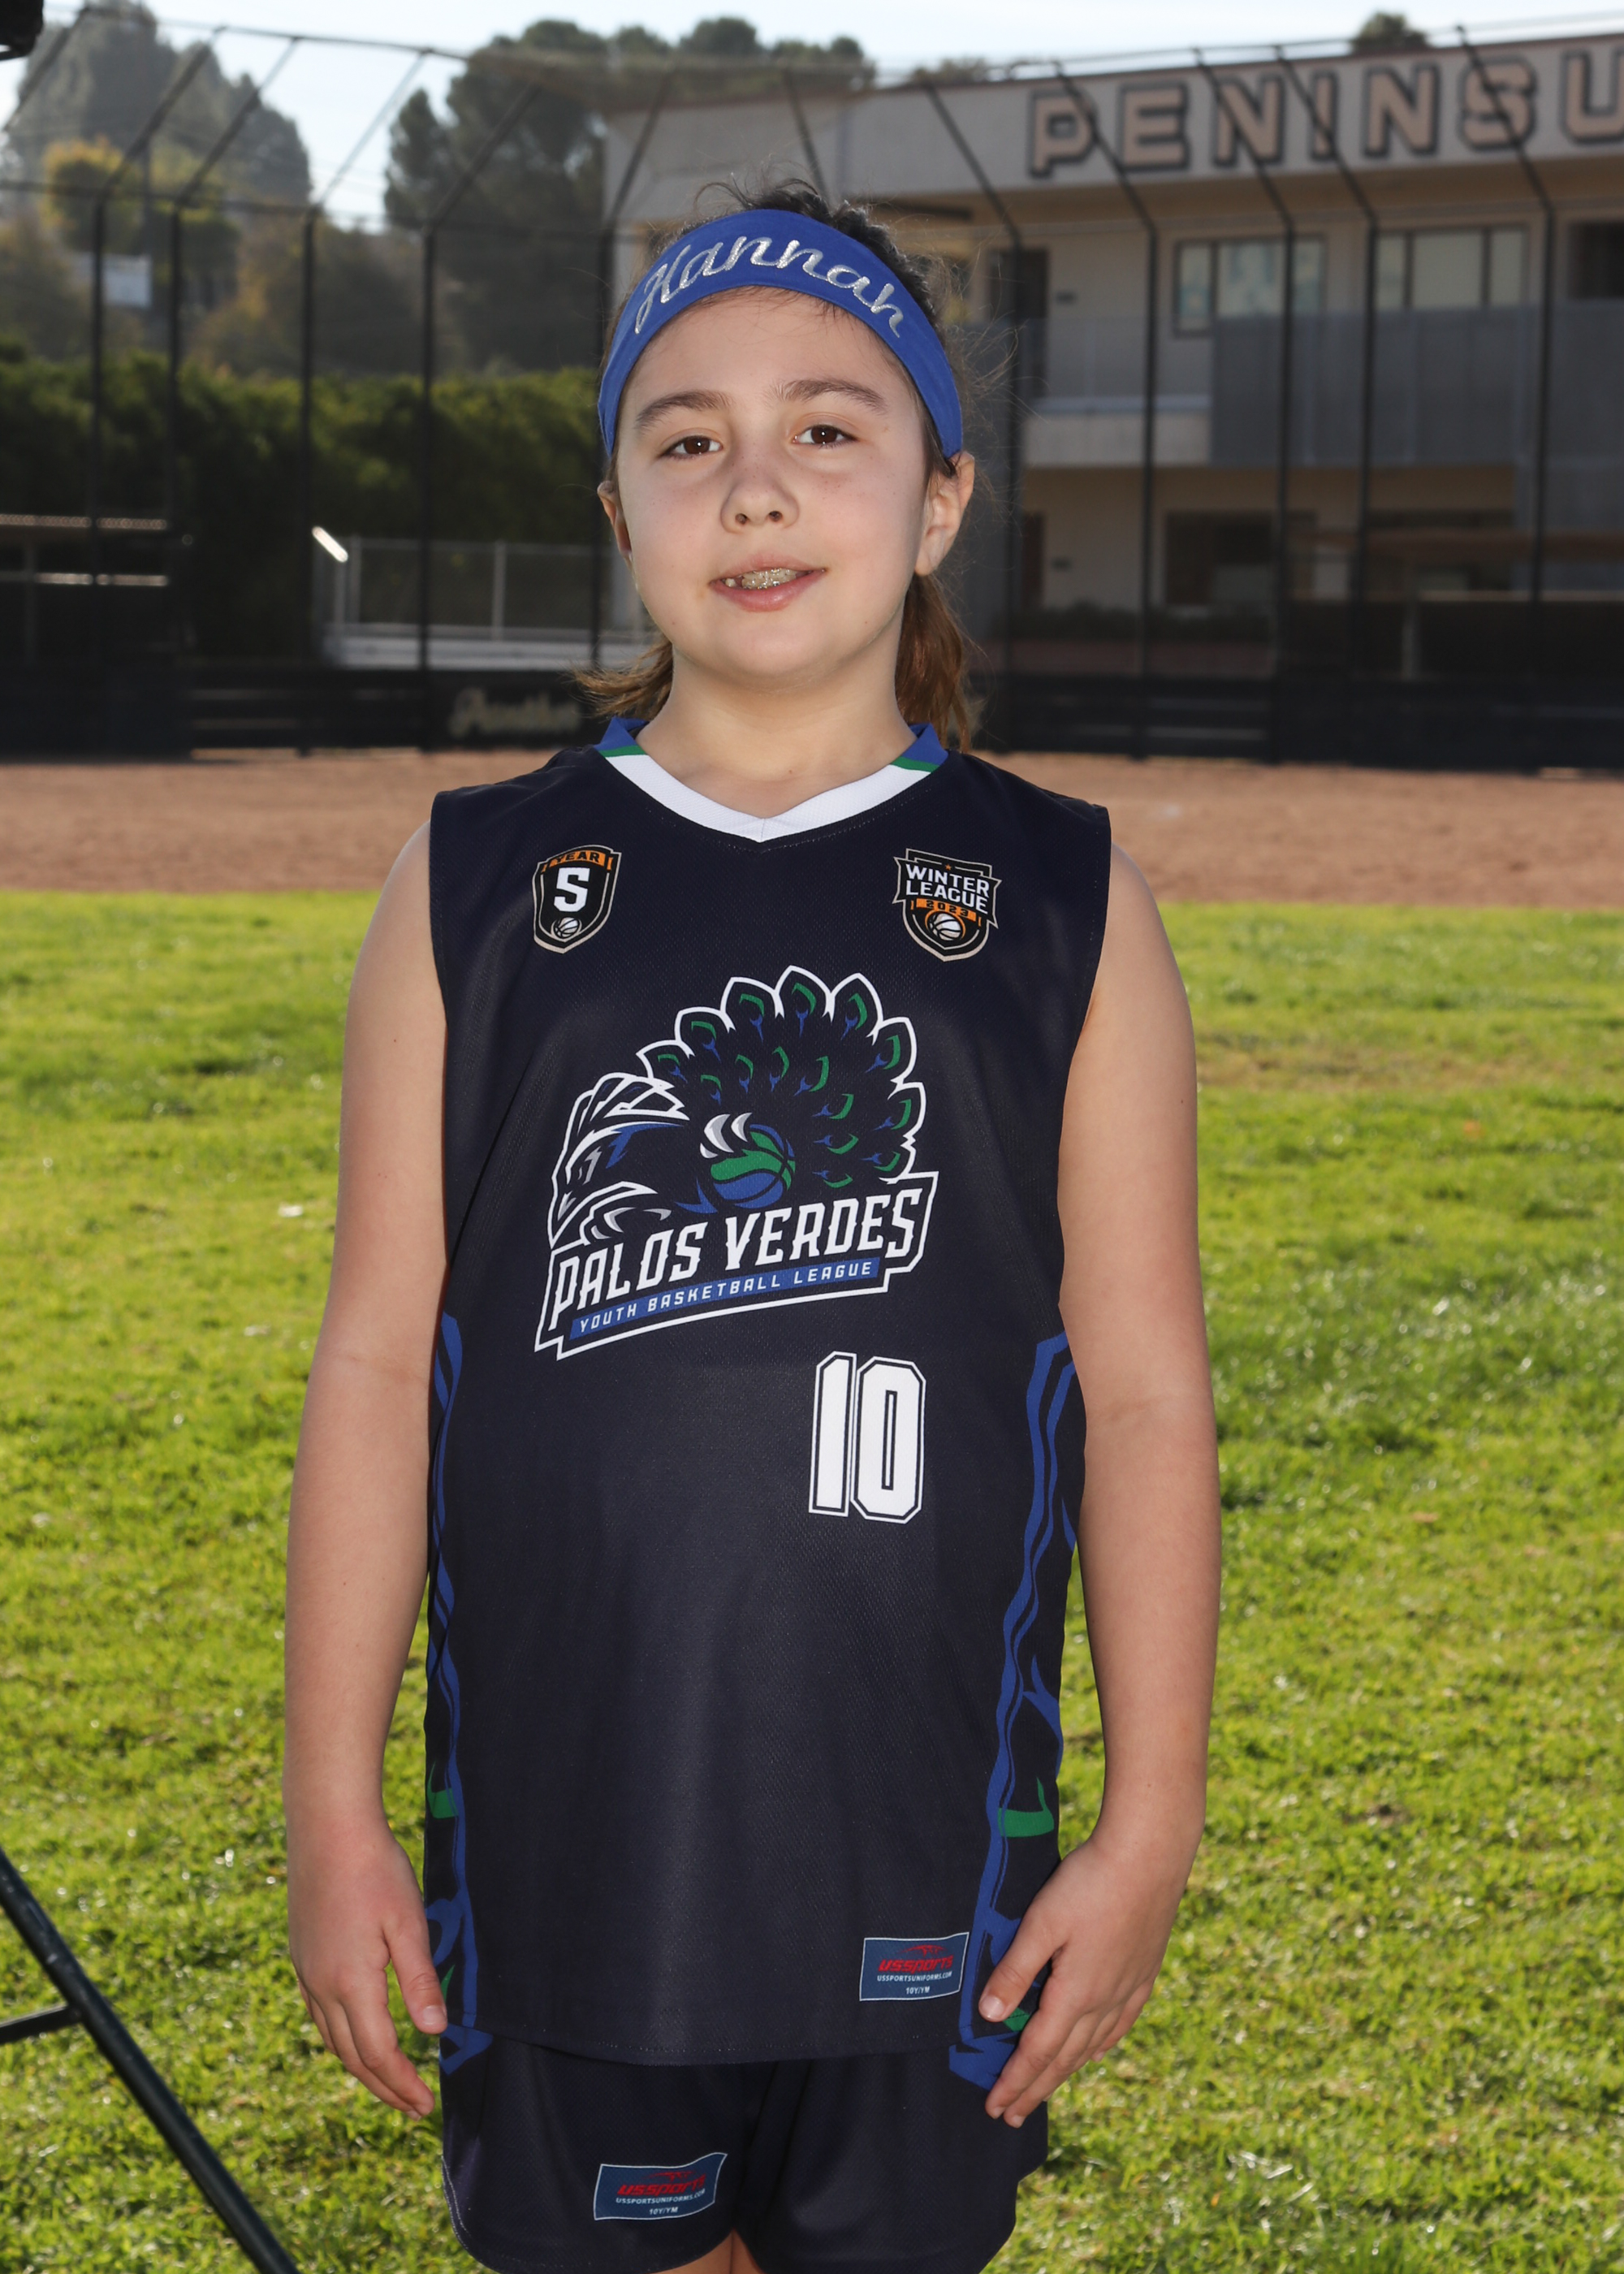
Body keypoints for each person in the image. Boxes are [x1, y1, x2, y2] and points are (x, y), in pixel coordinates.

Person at [283, 181, 1220, 2274]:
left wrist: (1151, 1822)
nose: (757, 486)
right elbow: (376, 1361)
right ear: (619, 508)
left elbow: (1148, 1391)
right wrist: (330, 1807)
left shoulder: (1066, 900)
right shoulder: (476, 883)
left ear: (943, 495)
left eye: (829, 426)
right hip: (573, 1846)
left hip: (924, 1842)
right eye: (688, 436)